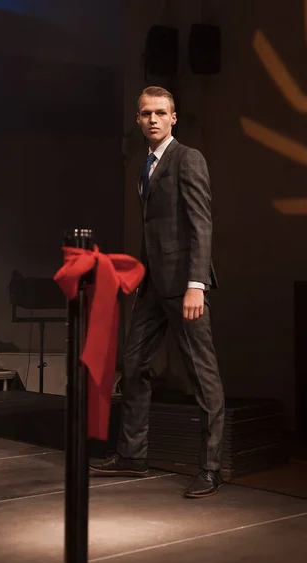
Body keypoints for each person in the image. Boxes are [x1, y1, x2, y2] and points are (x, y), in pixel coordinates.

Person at [90, 86, 225, 498]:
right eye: (146, 113)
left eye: (160, 113)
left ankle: (211, 467)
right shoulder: (144, 165)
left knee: (202, 376)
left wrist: (196, 284)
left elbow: (201, 223)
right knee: (133, 365)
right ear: (138, 119)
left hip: (184, 285)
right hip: (152, 284)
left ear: (173, 118)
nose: (152, 119)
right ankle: (133, 455)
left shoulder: (188, 159)